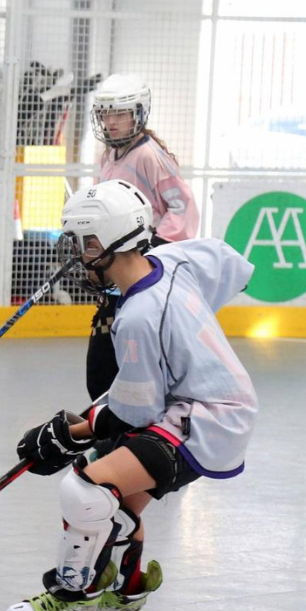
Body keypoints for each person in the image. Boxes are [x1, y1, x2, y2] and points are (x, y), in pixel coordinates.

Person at [0, 179, 257, 611]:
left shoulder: (136, 317)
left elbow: (135, 414)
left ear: (105, 243)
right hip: (208, 408)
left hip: (204, 419)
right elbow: (230, 262)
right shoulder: (172, 260)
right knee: (115, 499)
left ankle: (70, 600)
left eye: (83, 243)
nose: (77, 254)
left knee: (84, 487)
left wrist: (68, 434)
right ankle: (127, 587)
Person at [85, 73, 201, 398]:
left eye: (119, 113)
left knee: (129, 361)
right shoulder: (107, 155)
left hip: (144, 274)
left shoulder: (149, 156)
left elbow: (183, 209)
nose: (111, 122)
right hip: (116, 272)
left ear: (137, 113)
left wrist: (153, 251)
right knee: (101, 366)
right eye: (105, 114)